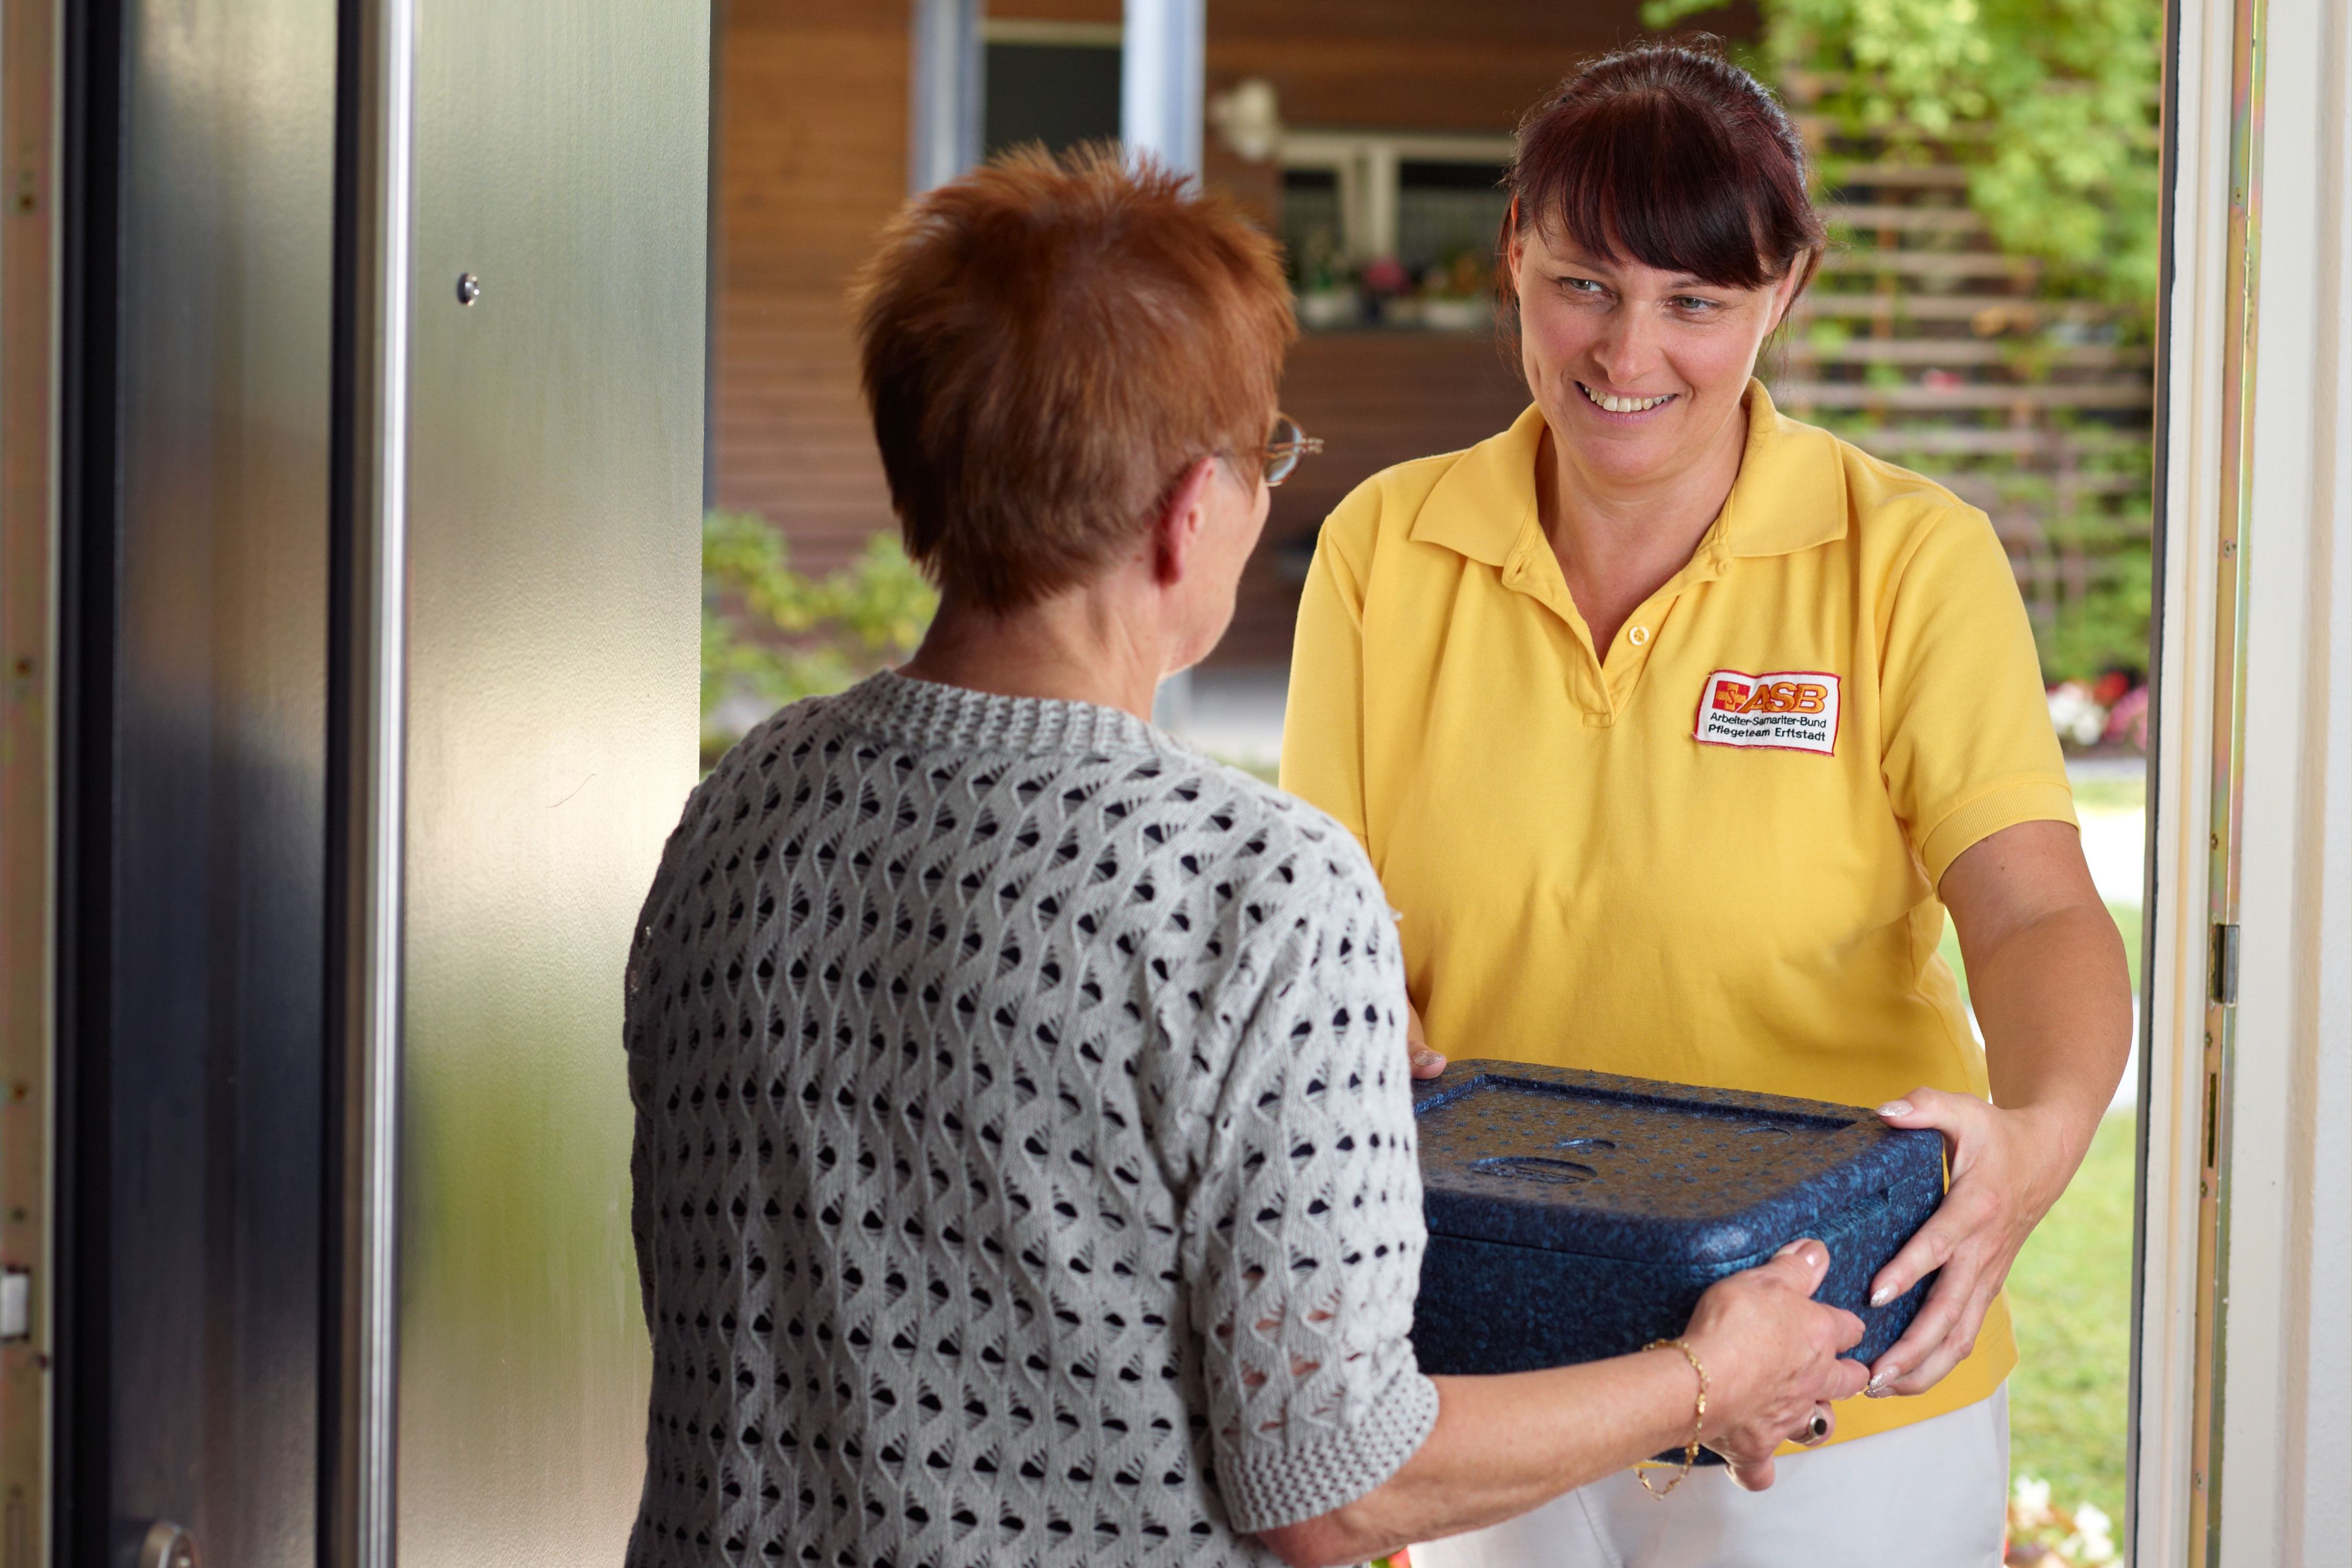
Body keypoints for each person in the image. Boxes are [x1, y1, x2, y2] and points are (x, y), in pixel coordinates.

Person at [622, 145, 1867, 1568]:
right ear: (1185, 512)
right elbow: (1334, 1493)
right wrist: (1713, 1376)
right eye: (1263, 455)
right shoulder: (1251, 889)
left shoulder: (736, 809)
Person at [1281, 44, 2134, 1568]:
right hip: (1497, 1353)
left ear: (1782, 294)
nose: (1628, 353)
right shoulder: (1383, 548)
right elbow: (1334, 925)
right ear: (1512, 267)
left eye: (1696, 302)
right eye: (1584, 285)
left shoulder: (1908, 557)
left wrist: (2043, 1133)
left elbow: (2031, 904)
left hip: (1834, 1358)